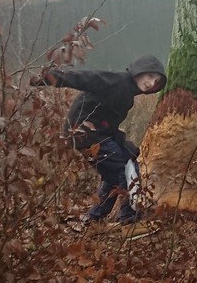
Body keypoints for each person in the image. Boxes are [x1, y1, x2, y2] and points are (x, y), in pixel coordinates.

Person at [31, 55, 166, 223]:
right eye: (150, 76)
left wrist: (124, 144)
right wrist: (49, 77)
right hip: (84, 133)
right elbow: (85, 78)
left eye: (156, 81)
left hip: (97, 134)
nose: (151, 83)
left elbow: (108, 125)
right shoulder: (117, 81)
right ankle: (128, 217)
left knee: (123, 165)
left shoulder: (127, 95)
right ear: (140, 70)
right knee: (124, 169)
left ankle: (94, 218)